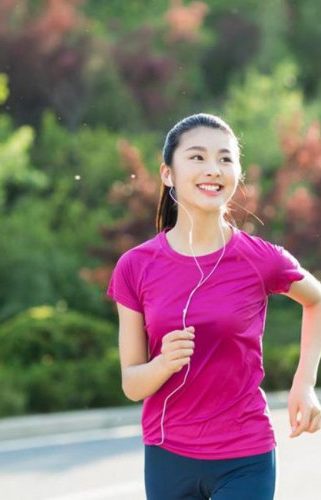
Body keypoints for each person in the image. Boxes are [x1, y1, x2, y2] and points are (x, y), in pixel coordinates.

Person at [107, 113, 321, 500]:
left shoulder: (262, 259)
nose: (213, 169)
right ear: (168, 174)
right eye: (197, 157)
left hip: (245, 455)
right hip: (167, 455)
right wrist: (163, 364)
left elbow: (317, 300)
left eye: (225, 159)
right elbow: (132, 385)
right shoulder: (134, 267)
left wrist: (305, 384)